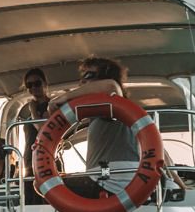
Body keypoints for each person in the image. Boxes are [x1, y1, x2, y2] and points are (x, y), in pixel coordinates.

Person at [48, 56, 186, 198]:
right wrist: (179, 184)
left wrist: (64, 97)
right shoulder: (132, 115)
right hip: (140, 183)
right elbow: (159, 151)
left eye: (88, 76)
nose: (82, 81)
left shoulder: (111, 107)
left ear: (105, 78)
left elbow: (111, 86)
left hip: (109, 181)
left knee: (46, 185)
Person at [17, 68, 52, 204]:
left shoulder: (52, 105)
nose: (33, 88)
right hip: (29, 163)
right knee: (30, 205)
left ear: (45, 83)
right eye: (29, 85)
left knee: (48, 204)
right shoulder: (28, 108)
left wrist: (33, 110)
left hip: (48, 162)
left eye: (37, 83)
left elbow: (43, 130)